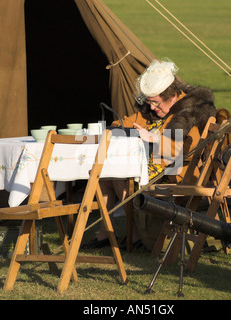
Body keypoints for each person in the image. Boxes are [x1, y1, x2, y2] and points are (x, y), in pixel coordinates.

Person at [82, 59, 217, 249]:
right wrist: (117, 130)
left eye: (155, 102)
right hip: (157, 168)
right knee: (103, 176)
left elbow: (185, 153)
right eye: (150, 102)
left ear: (171, 96)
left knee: (118, 177)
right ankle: (106, 234)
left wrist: (155, 139)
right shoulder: (156, 110)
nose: (152, 107)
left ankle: (136, 235)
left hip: (177, 175)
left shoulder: (190, 113)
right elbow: (124, 122)